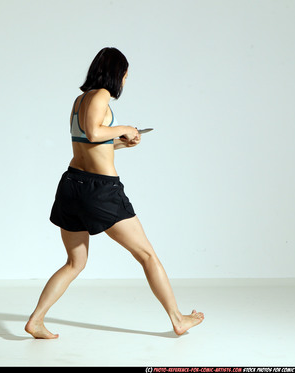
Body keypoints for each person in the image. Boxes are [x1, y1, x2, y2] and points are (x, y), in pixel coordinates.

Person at [25, 47, 204, 339]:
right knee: (147, 255)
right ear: (117, 73)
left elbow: (88, 142)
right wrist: (126, 127)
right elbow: (95, 133)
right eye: (125, 74)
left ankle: (36, 320)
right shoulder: (101, 96)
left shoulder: (80, 100)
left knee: (74, 263)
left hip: (72, 184)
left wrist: (123, 142)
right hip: (101, 191)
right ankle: (178, 319)